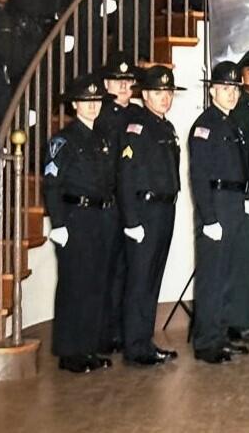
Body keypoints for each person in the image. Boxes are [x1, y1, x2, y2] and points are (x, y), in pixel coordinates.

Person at [42, 76, 117, 374]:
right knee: (75, 284)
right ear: (75, 105)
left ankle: (89, 346)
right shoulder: (64, 140)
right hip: (76, 217)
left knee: (97, 283)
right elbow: (51, 184)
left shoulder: (103, 137)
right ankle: (70, 351)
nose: (92, 107)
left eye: (97, 101)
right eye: (86, 102)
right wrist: (58, 223)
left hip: (102, 217)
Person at [187, 60, 249, 364]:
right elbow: (199, 175)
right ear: (213, 90)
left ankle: (222, 334)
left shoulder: (233, 124)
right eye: (225, 88)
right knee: (212, 276)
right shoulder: (205, 125)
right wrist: (209, 218)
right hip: (215, 203)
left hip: (236, 203)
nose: (231, 94)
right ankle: (206, 341)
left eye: (235, 89)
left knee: (230, 273)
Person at [116, 65, 183, 366]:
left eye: (168, 93)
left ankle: (145, 340)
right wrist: (131, 221)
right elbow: (126, 176)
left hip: (164, 209)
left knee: (153, 278)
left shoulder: (165, 127)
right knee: (140, 280)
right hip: (144, 211)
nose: (165, 98)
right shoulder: (136, 127)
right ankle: (135, 345)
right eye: (158, 93)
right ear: (144, 95)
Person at [93, 55, 138, 354]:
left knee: (127, 269)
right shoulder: (100, 117)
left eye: (127, 82)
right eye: (116, 82)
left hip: (131, 203)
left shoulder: (137, 115)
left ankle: (121, 330)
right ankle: (103, 333)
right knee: (106, 269)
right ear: (106, 85)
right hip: (108, 202)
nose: (123, 87)